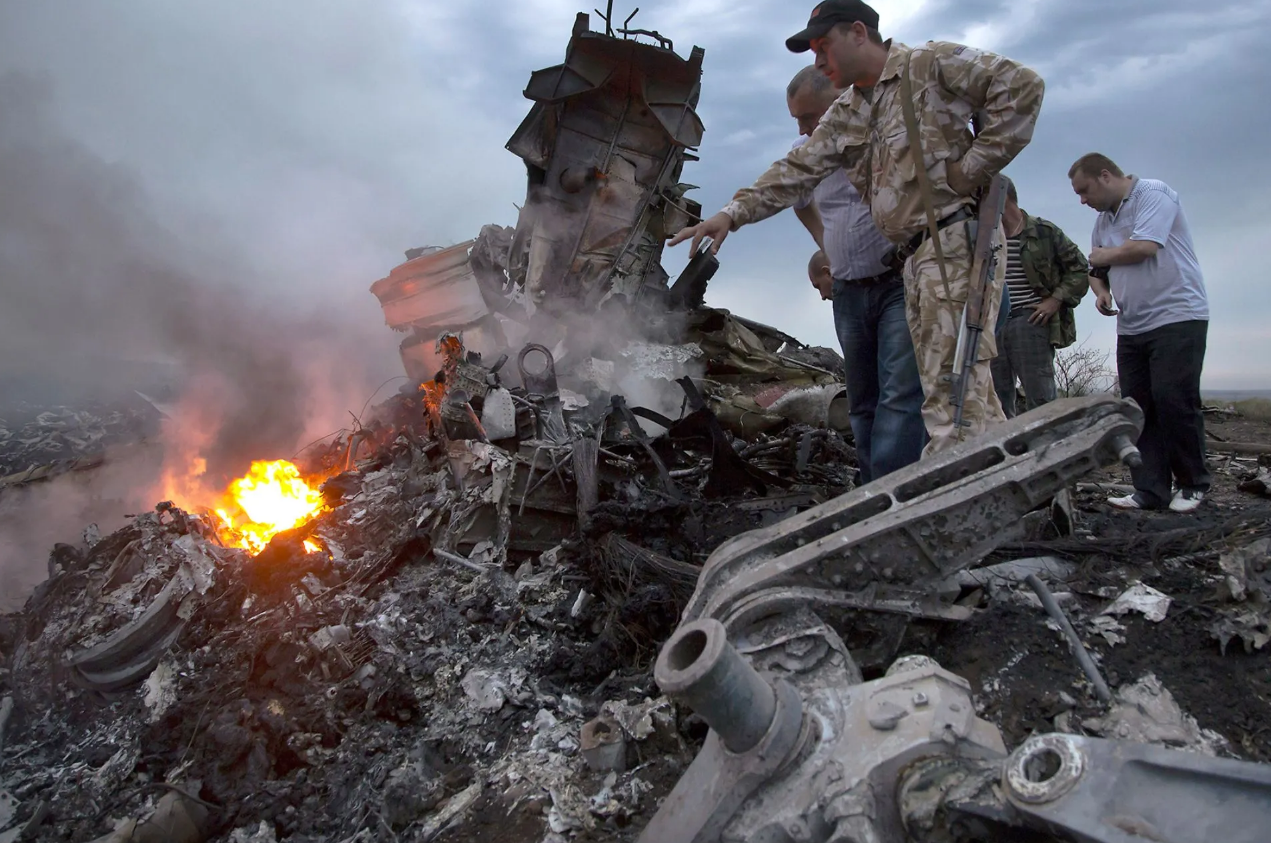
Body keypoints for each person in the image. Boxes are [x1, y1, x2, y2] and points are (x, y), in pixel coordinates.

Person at [669, 0, 1045, 455]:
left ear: (859, 33)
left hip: (954, 244)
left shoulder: (928, 64)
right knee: (965, 397)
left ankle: (950, 509)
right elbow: (797, 169)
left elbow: (1023, 87)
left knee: (953, 396)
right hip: (915, 260)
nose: (818, 60)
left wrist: (970, 169)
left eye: (824, 46)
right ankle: (1008, 493)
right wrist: (732, 213)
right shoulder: (849, 110)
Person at [786, 66, 925, 482]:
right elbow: (798, 200)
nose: (804, 128)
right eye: (797, 119)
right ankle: (871, 487)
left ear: (841, 102)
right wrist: (826, 242)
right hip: (848, 289)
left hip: (898, 283)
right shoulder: (805, 151)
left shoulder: (885, 135)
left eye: (810, 117)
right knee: (862, 398)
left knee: (901, 392)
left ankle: (893, 495)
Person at [1069, 152, 1211, 513]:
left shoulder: (1153, 194)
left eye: (1085, 191)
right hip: (1131, 325)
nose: (1083, 201)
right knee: (1137, 407)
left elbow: (1144, 248)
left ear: (1105, 176)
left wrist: (1101, 258)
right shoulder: (1104, 220)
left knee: (1174, 399)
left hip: (1177, 316)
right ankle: (1150, 490)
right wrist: (1100, 293)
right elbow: (1095, 269)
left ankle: (1193, 483)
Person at [990, 175, 1090, 417]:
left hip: (1030, 320)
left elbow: (1080, 268)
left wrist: (1055, 300)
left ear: (1003, 199)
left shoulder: (1043, 232)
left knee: (1041, 398)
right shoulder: (984, 236)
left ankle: (1050, 449)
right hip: (991, 323)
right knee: (994, 401)